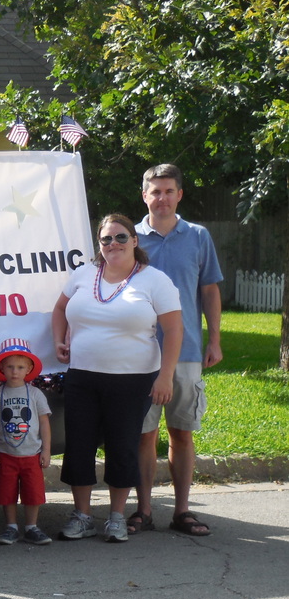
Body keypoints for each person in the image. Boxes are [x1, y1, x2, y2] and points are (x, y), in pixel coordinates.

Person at [51, 214, 183, 543]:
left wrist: (165, 377)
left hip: (133, 380)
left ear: (135, 241)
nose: (113, 245)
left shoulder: (154, 281)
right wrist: (59, 339)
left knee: (122, 447)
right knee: (79, 446)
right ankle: (81, 516)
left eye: (121, 238)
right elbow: (59, 309)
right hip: (82, 377)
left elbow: (174, 330)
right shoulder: (83, 275)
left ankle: (115, 517)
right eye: (106, 239)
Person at [131, 163, 223, 536]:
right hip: (138, 352)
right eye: (155, 191)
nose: (162, 198)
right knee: (144, 435)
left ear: (179, 195)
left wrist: (214, 338)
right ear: (144, 195)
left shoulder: (198, 236)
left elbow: (210, 290)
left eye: (169, 191)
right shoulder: (129, 238)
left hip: (185, 353)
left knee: (182, 432)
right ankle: (144, 510)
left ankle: (183, 511)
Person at [0, 339, 53, 546]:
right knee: (6, 492)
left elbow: (44, 423)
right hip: (5, 453)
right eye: (10, 367)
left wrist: (46, 450)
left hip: (31, 453)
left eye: (20, 367)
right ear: (2, 368)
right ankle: (11, 526)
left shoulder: (35, 394)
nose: (15, 371)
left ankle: (32, 527)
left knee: (33, 492)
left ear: (29, 369)